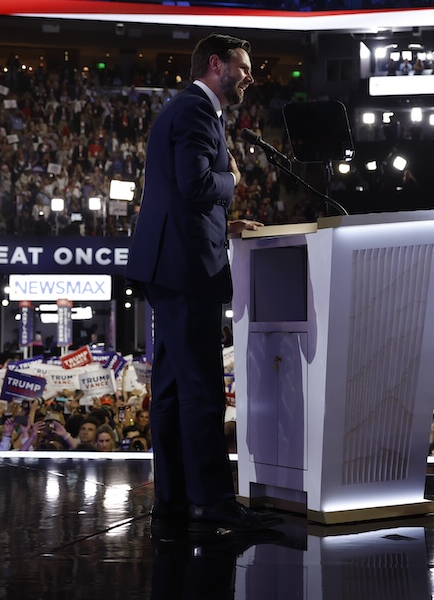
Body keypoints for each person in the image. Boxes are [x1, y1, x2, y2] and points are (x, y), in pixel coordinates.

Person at [126, 33, 280, 535]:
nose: (250, 77)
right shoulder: (195, 110)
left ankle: (173, 500)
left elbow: (177, 191)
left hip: (171, 264)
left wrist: (223, 222)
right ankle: (213, 502)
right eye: (244, 66)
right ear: (216, 64)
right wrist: (232, 181)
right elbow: (194, 184)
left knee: (172, 390)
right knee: (203, 390)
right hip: (186, 268)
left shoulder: (187, 109)